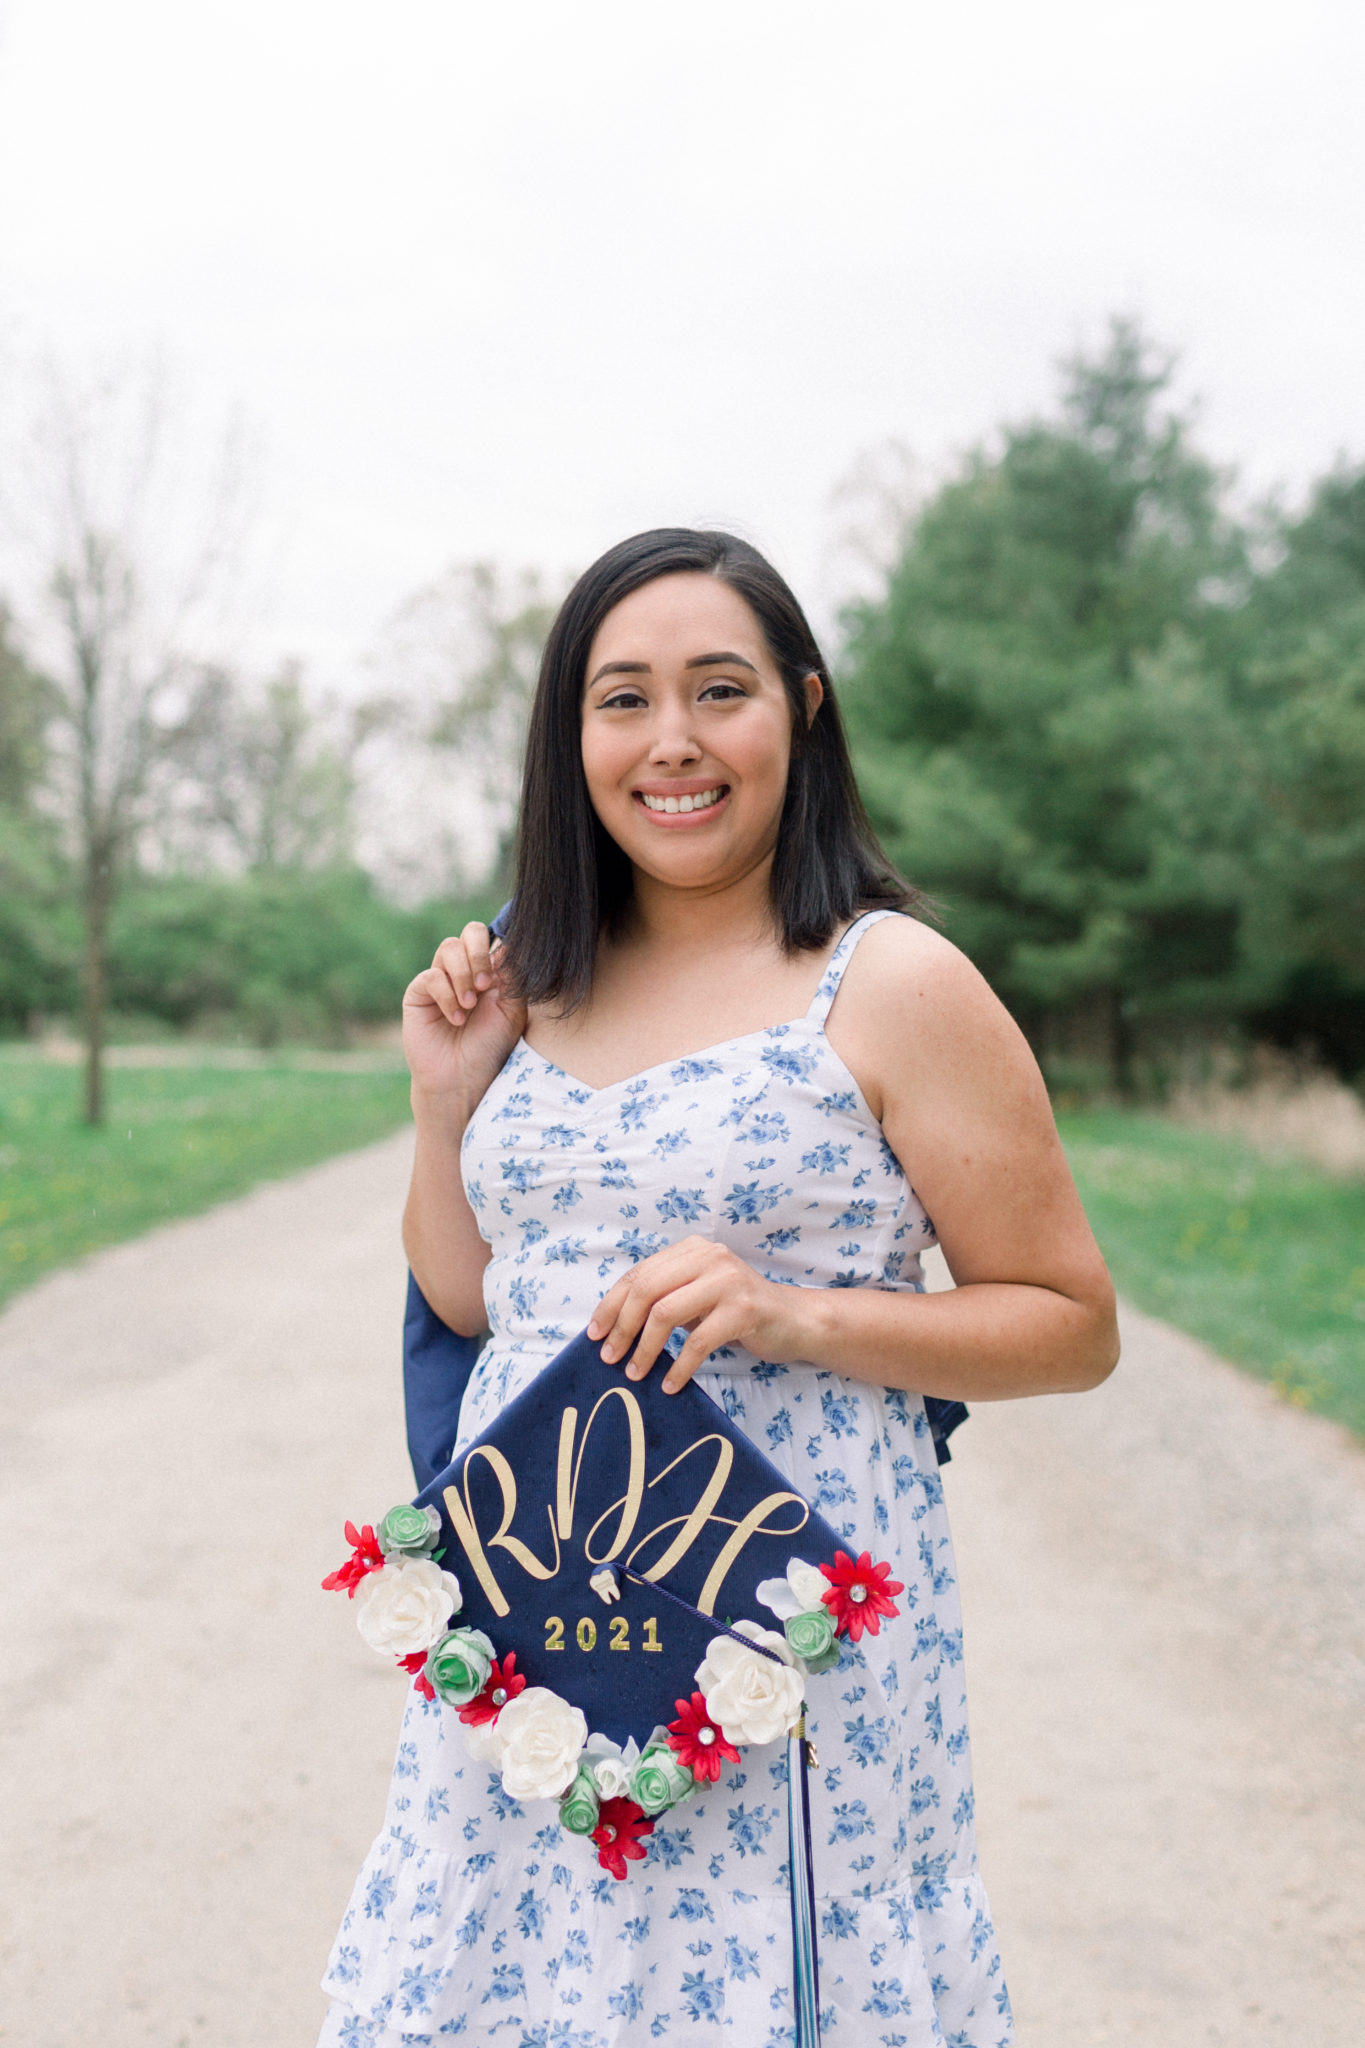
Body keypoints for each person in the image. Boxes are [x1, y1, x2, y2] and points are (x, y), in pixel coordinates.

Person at [318, 528, 1119, 2047]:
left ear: (801, 714)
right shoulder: (525, 973)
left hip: (778, 1629)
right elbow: (478, 1303)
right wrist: (443, 1104)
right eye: (621, 700)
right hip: (542, 1599)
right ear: (571, 740)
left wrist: (792, 1313)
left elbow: (1070, 1323)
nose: (670, 741)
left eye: (718, 690)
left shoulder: (889, 981)